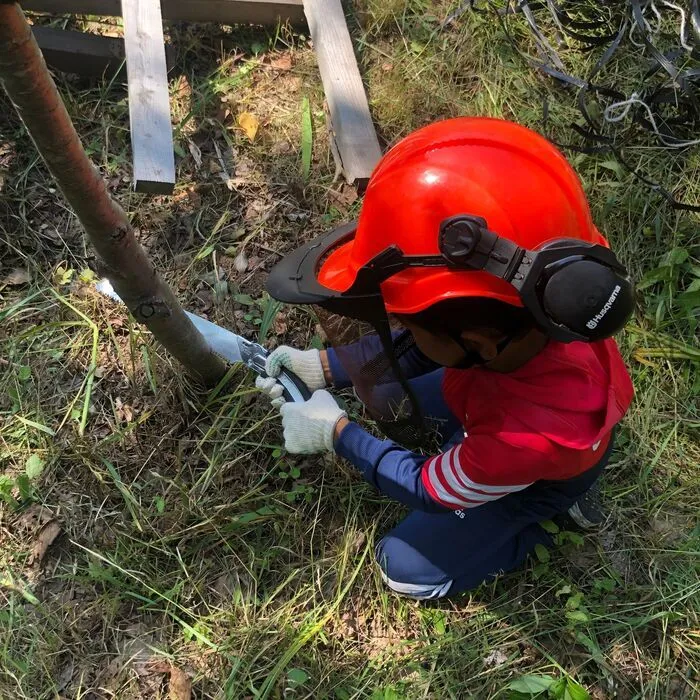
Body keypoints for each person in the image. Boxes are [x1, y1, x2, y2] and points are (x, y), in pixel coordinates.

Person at [255, 118, 635, 600]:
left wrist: (337, 435)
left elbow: (428, 488)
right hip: (501, 399)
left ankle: (549, 516)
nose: (401, 331)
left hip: (535, 464)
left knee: (407, 569)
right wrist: (326, 367)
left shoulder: (524, 439)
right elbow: (425, 347)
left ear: (477, 341)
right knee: (390, 389)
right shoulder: (543, 305)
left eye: (408, 323)